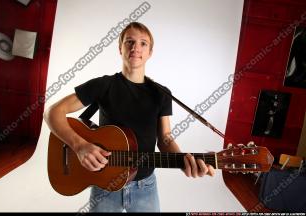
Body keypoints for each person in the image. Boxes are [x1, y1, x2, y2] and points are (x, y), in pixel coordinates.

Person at [44, 22, 215, 212]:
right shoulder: (104, 85)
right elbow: (53, 112)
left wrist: (184, 163)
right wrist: (80, 146)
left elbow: (165, 138)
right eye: (129, 42)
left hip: (145, 187)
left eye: (143, 43)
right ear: (120, 48)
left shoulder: (162, 94)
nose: (136, 48)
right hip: (104, 186)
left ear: (150, 52)